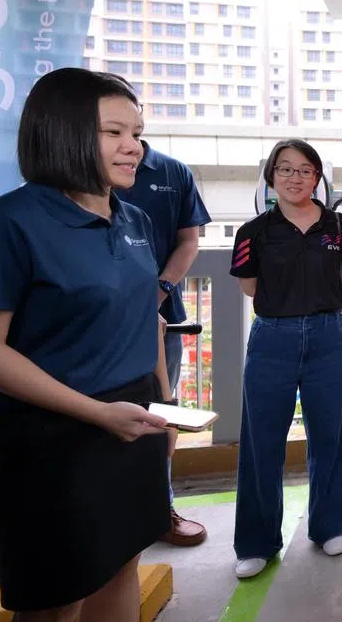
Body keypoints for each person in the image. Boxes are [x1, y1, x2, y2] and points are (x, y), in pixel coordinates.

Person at [0, 68, 175, 621]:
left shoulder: (134, 219)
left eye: (137, 133)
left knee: (123, 567)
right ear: (63, 134)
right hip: (52, 443)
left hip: (134, 421)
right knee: (56, 601)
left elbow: (145, 317)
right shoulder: (4, 225)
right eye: (114, 133)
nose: (134, 147)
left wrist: (166, 405)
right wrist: (97, 413)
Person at [229, 138, 342, 579]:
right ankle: (256, 542)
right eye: (285, 169)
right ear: (271, 177)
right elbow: (249, 286)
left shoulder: (338, 226)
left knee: (330, 435)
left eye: (305, 170)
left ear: (317, 178)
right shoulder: (253, 232)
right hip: (273, 339)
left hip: (327, 336)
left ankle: (331, 525)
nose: (294, 178)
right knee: (262, 442)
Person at [115, 140, 212, 546]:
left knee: (159, 413)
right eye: (112, 129)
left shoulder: (172, 173)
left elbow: (189, 241)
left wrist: (159, 293)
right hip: (97, 327)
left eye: (132, 127)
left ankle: (160, 509)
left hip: (162, 320)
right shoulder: (71, 178)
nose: (125, 141)